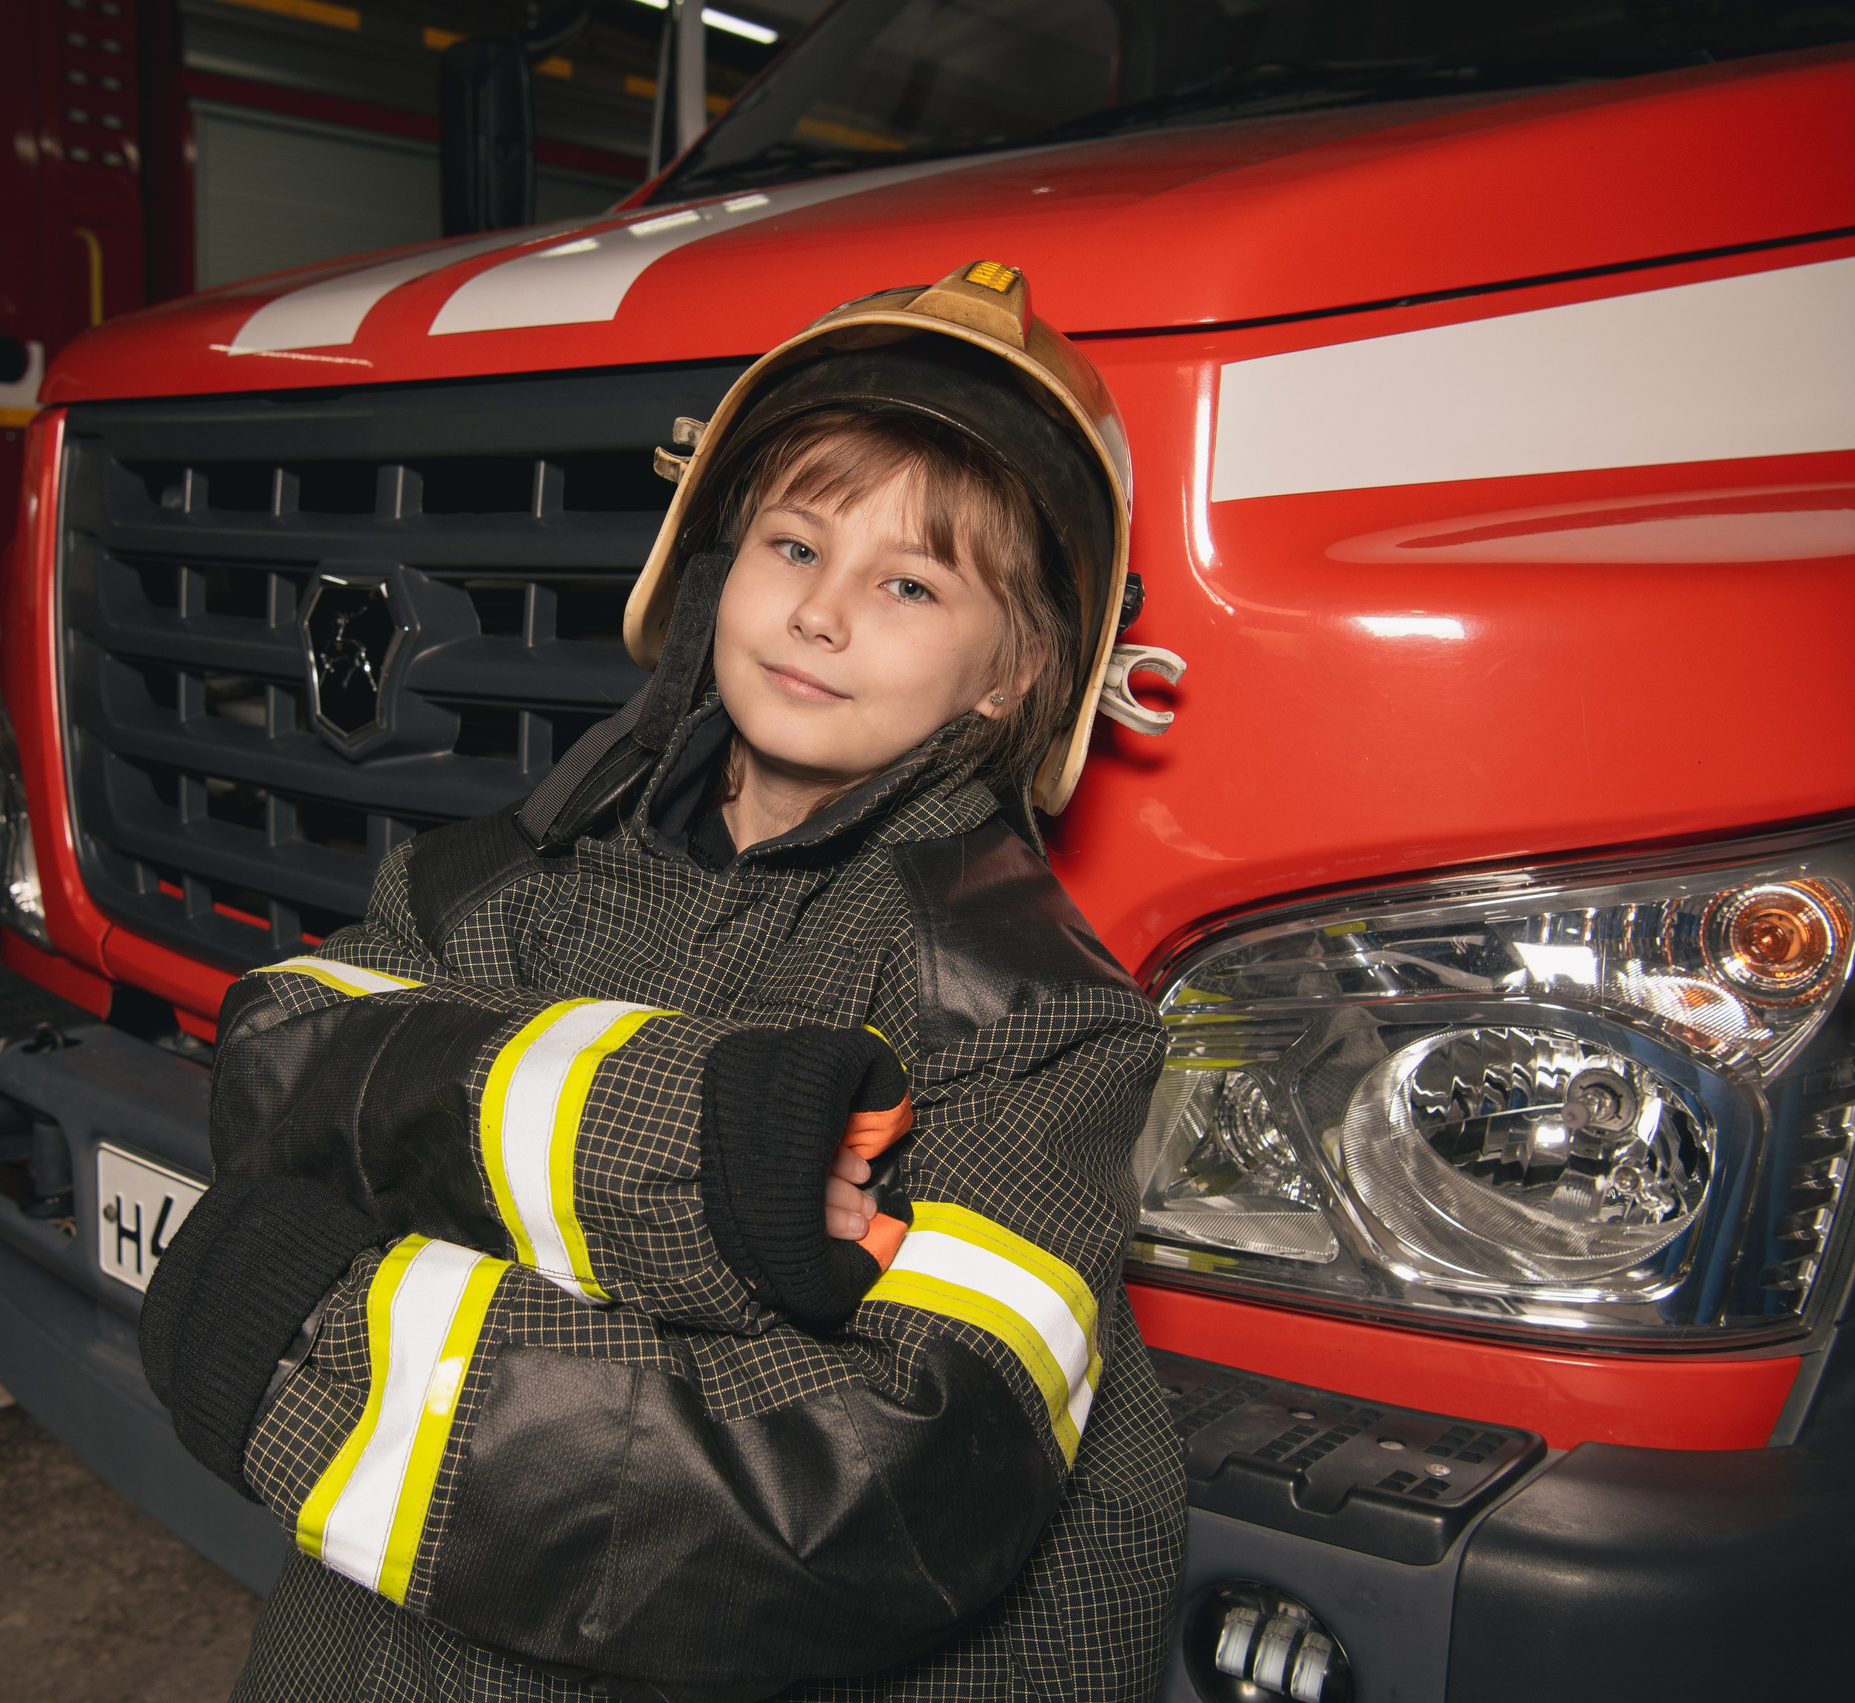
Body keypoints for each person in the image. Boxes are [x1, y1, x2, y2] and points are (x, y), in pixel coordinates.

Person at [140, 260, 1187, 1703]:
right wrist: (708, 1152)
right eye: (793, 546)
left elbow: (875, 1501)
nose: (821, 614)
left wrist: (315, 1335)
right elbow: (273, 1062)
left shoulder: (1029, 1019)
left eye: (908, 583)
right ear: (712, 564)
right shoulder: (506, 874)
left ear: (1015, 676)